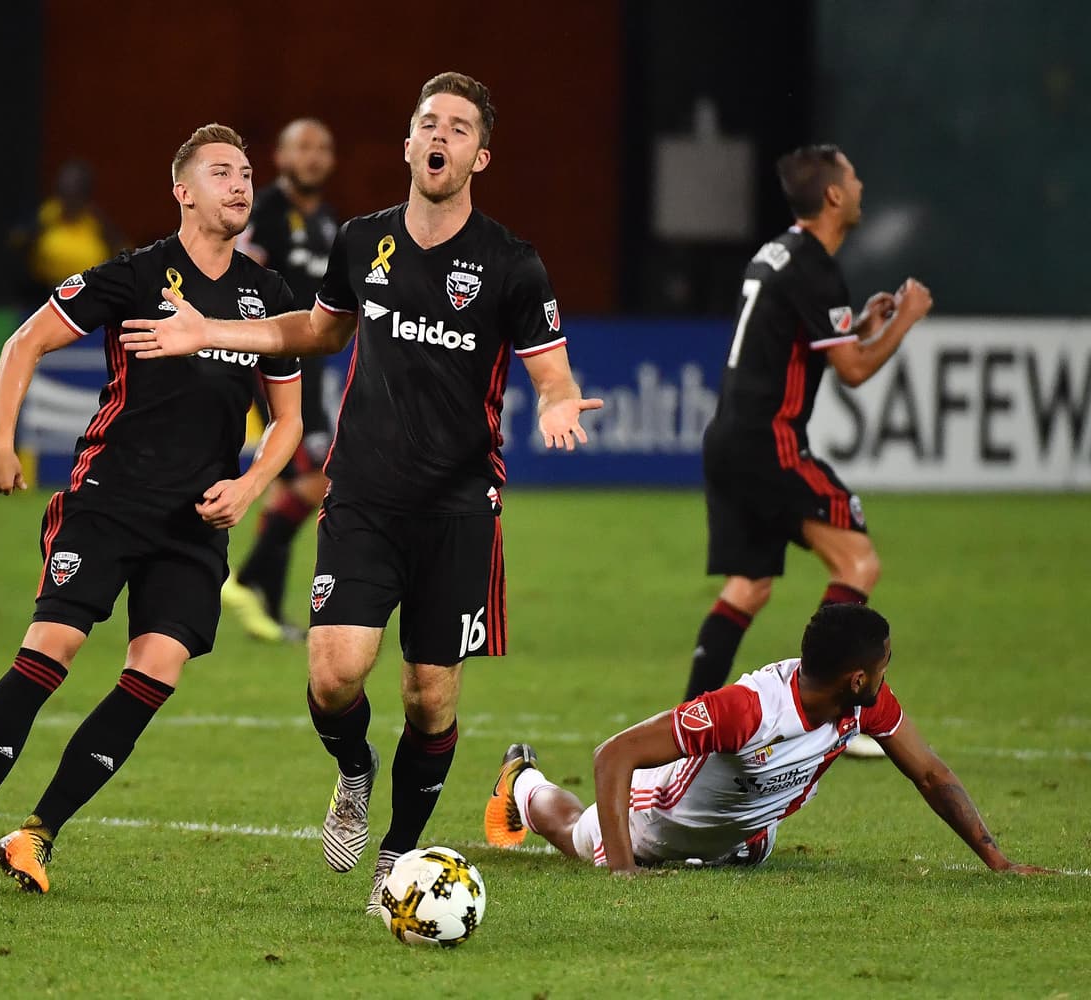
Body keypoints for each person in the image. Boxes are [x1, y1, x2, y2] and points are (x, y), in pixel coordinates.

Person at [120, 72, 603, 912]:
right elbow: (316, 329)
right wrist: (209, 330)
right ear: (411, 143)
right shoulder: (363, 241)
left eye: (458, 127)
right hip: (365, 496)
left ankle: (401, 853)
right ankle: (353, 770)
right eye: (427, 122)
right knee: (336, 676)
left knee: (429, 694)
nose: (440, 136)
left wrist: (560, 405)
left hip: (458, 508)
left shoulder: (512, 263)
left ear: (479, 155)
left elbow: (552, 376)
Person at [0, 124, 303, 896]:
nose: (240, 184)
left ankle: (36, 835)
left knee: (157, 671)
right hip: (109, 499)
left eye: (246, 173)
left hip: (195, 520)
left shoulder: (269, 296)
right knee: (51, 648)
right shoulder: (135, 275)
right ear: (183, 190)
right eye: (222, 172)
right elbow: (25, 341)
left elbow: (290, 420)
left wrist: (250, 485)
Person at [485, 603, 1049, 876]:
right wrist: (625, 873)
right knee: (573, 831)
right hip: (656, 823)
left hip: (744, 835)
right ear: (856, 676)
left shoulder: (867, 705)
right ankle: (525, 784)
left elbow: (931, 774)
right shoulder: (748, 709)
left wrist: (997, 862)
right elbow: (614, 756)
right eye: (883, 664)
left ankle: (740, 842)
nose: (886, 674)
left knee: (750, 847)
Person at [685, 144, 933, 758]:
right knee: (858, 564)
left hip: (729, 438)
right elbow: (850, 371)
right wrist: (905, 320)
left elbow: (810, 342)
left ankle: (689, 719)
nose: (860, 183)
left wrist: (866, 324)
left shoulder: (778, 253)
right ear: (832, 195)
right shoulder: (815, 266)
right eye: (852, 176)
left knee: (749, 585)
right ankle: (826, 711)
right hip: (772, 443)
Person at [224, 118, 338, 643]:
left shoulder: (330, 226)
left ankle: (265, 605)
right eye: (303, 147)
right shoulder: (263, 211)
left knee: (300, 485)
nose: (313, 157)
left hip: (310, 367)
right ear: (280, 156)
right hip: (271, 365)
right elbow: (237, 278)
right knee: (318, 479)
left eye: (322, 149)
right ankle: (244, 581)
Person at [18, 158, 125, 305]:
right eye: (64, 191)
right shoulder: (45, 216)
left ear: (85, 195)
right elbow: (20, 245)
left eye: (76, 193)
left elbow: (121, 251)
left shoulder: (97, 220)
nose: (70, 199)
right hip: (44, 296)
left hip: (91, 297)